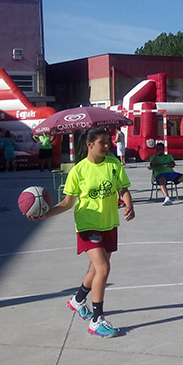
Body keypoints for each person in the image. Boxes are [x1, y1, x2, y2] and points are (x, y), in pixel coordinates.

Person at [30, 128, 134, 338]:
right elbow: (67, 202)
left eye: (109, 141)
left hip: (108, 223)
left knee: (96, 269)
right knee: (103, 268)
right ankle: (97, 320)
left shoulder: (113, 164)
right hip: (87, 225)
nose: (108, 145)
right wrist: (46, 214)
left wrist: (129, 204)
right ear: (89, 144)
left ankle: (77, 300)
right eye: (103, 142)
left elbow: (123, 189)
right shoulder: (78, 171)